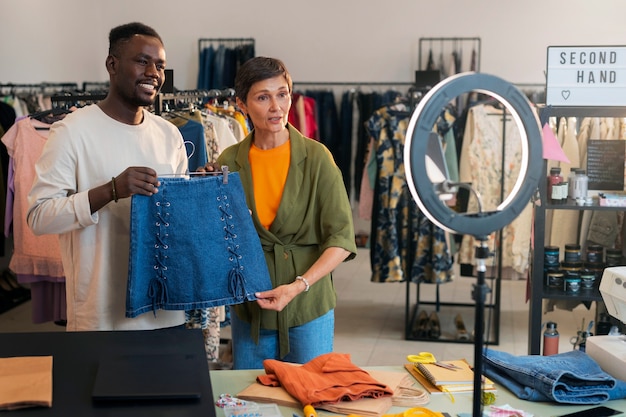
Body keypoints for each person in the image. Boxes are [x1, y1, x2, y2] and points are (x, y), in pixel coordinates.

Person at [26, 22, 188, 331]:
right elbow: (39, 216)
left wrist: (203, 193)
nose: (153, 72)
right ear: (112, 64)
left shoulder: (169, 135)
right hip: (100, 318)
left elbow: (178, 224)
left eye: (160, 65)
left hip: (166, 312)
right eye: (142, 61)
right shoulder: (71, 132)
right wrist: (111, 190)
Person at [215, 57, 357, 369]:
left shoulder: (317, 158)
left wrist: (299, 286)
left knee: (309, 398)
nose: (276, 107)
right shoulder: (229, 160)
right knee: (252, 401)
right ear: (241, 104)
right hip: (253, 307)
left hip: (309, 305)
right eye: (263, 97)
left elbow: (341, 239)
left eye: (282, 94)